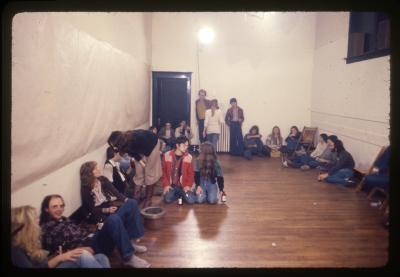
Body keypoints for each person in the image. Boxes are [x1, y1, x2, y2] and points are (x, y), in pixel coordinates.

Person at [40, 194, 150, 268]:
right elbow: (56, 250)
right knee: (113, 219)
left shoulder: (63, 219)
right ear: (46, 209)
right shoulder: (47, 228)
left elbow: (78, 231)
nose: (59, 209)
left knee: (131, 203)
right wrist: (79, 249)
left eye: (61, 206)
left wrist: (97, 228)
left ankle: (129, 243)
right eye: (54, 207)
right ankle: (128, 257)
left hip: (92, 238)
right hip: (90, 248)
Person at [11, 205, 110, 268]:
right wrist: (60, 257)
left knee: (101, 257)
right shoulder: (16, 250)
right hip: (58, 259)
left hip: (83, 240)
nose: (38, 220)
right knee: (82, 254)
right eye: (35, 218)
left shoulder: (29, 239)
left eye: (61, 206)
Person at [108, 129, 162, 208]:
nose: (114, 148)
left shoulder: (137, 138)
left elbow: (146, 152)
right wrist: (141, 162)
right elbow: (133, 153)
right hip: (139, 148)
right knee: (139, 174)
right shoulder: (125, 145)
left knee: (149, 174)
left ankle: (148, 200)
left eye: (114, 145)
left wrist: (146, 164)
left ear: (120, 142)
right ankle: (135, 199)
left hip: (152, 146)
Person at [162, 136, 196, 204]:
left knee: (191, 200)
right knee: (167, 199)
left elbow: (191, 174)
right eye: (184, 145)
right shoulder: (167, 155)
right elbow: (163, 172)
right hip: (171, 186)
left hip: (183, 186)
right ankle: (179, 195)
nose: (186, 147)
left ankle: (180, 194)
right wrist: (166, 185)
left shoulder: (189, 157)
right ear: (177, 145)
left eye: (187, 145)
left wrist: (188, 186)